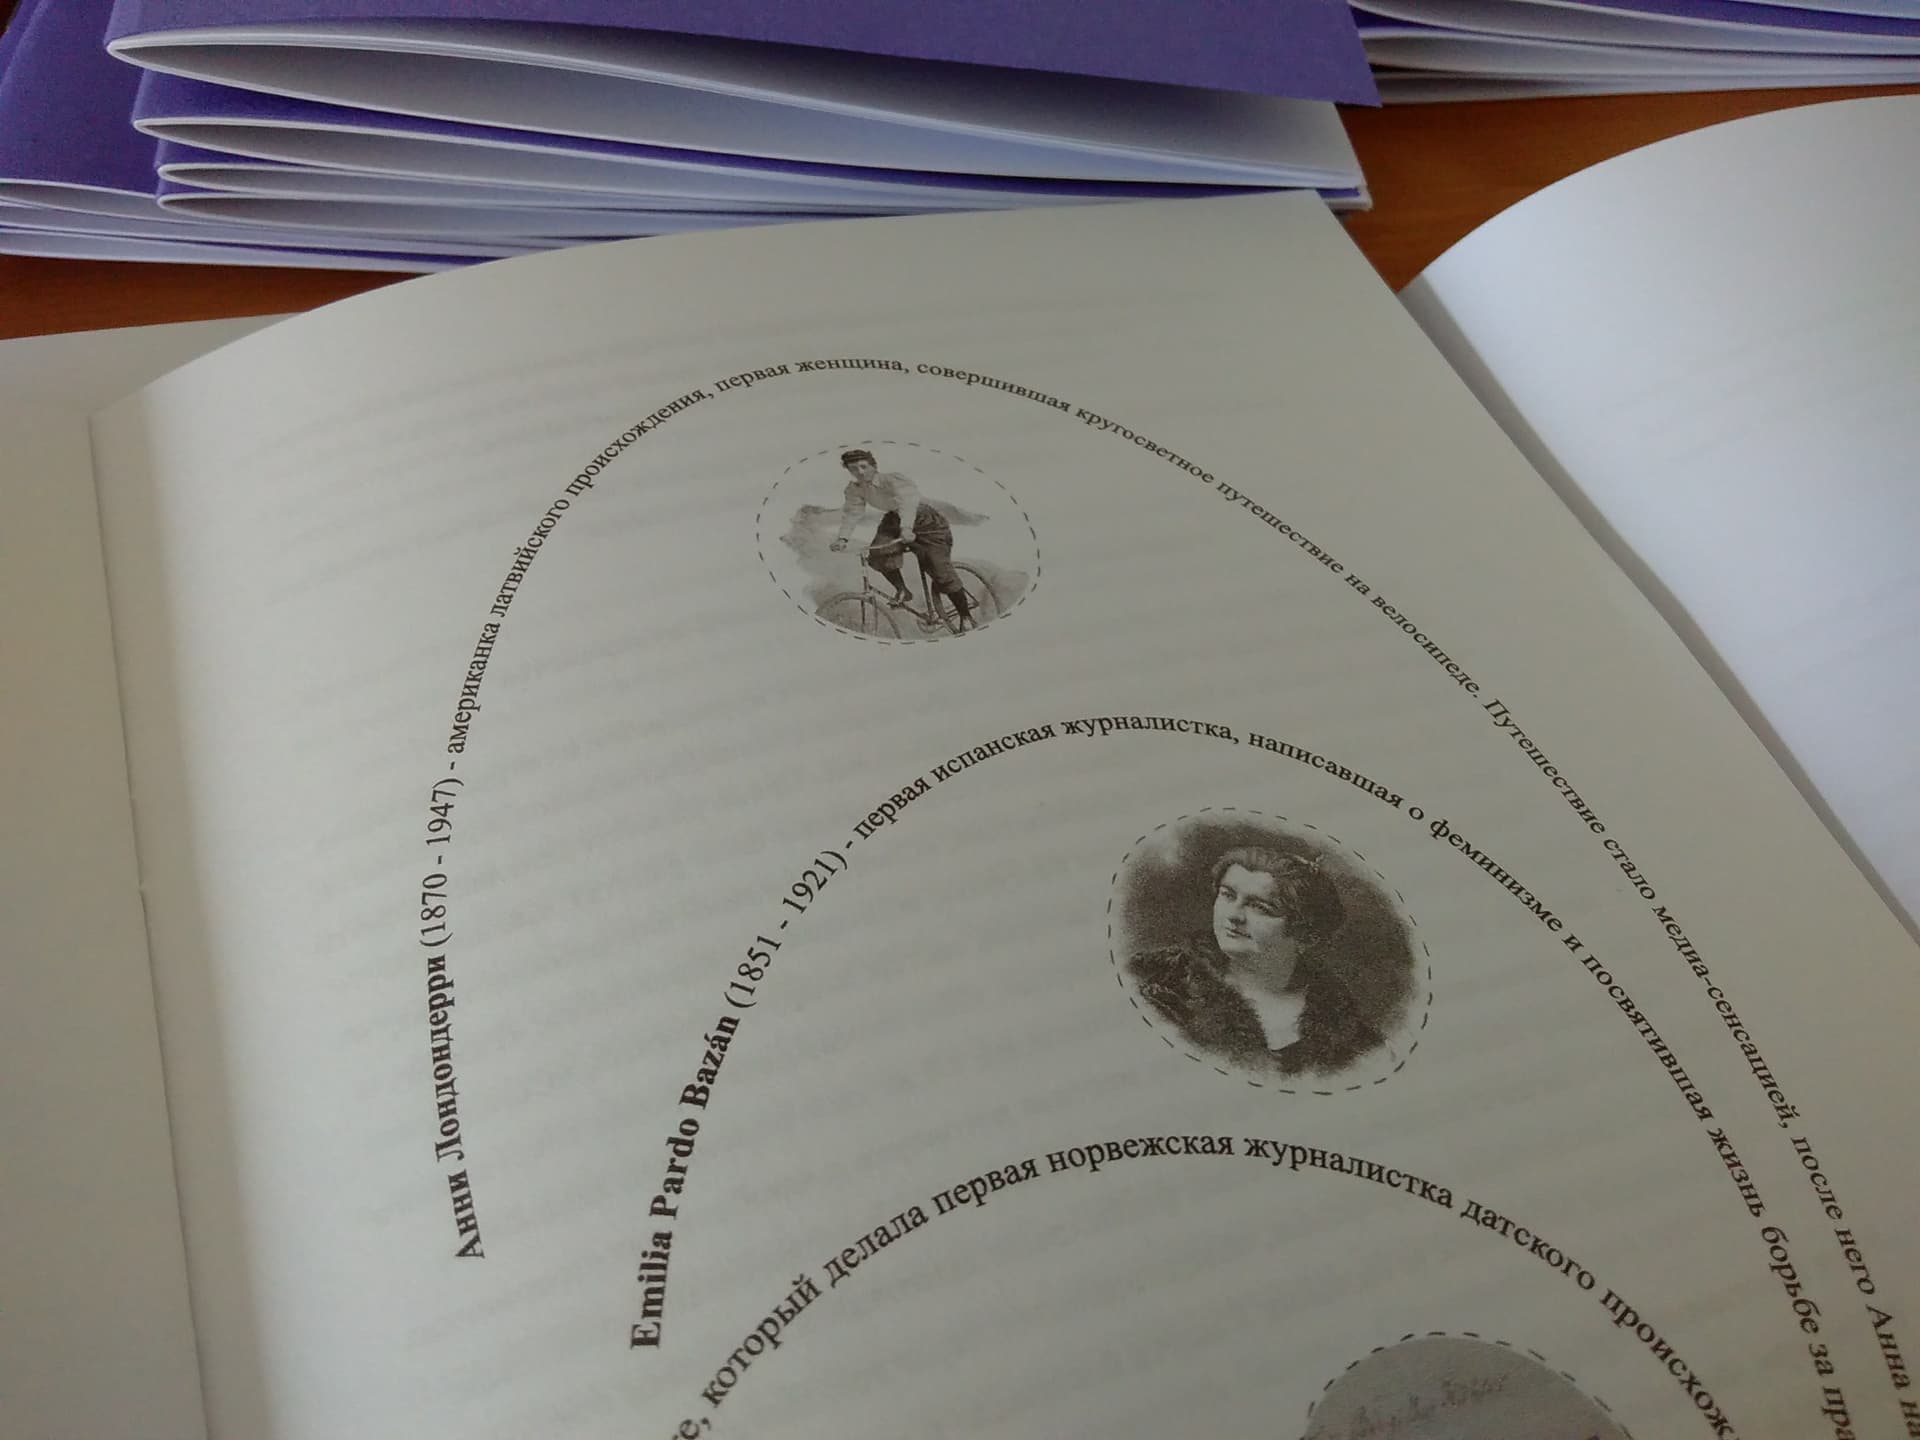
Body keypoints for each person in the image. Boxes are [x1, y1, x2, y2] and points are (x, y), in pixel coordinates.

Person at [1127, 846, 1385, 1078]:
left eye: (1260, 907)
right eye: (1227, 895)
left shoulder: (1350, 1040)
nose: (1234, 915)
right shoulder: (1160, 985)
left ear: (1305, 934)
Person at [827, 449, 974, 630]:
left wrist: (906, 528)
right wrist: (843, 538)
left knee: (941, 573)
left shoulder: (892, 480)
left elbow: (908, 503)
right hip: (894, 521)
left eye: (863, 466)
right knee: (878, 554)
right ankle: (902, 590)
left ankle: (965, 616)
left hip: (926, 522)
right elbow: (852, 513)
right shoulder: (855, 489)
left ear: (873, 466)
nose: (860, 472)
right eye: (853, 469)